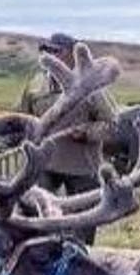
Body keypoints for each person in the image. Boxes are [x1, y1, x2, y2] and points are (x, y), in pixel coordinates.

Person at [18, 31, 119, 242]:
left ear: (69, 55)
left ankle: (80, 258)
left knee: (83, 224)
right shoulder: (35, 86)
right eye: (46, 50)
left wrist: (87, 133)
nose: (49, 55)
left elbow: (111, 124)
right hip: (45, 163)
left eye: (55, 51)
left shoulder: (90, 88)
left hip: (82, 167)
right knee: (34, 215)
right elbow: (24, 119)